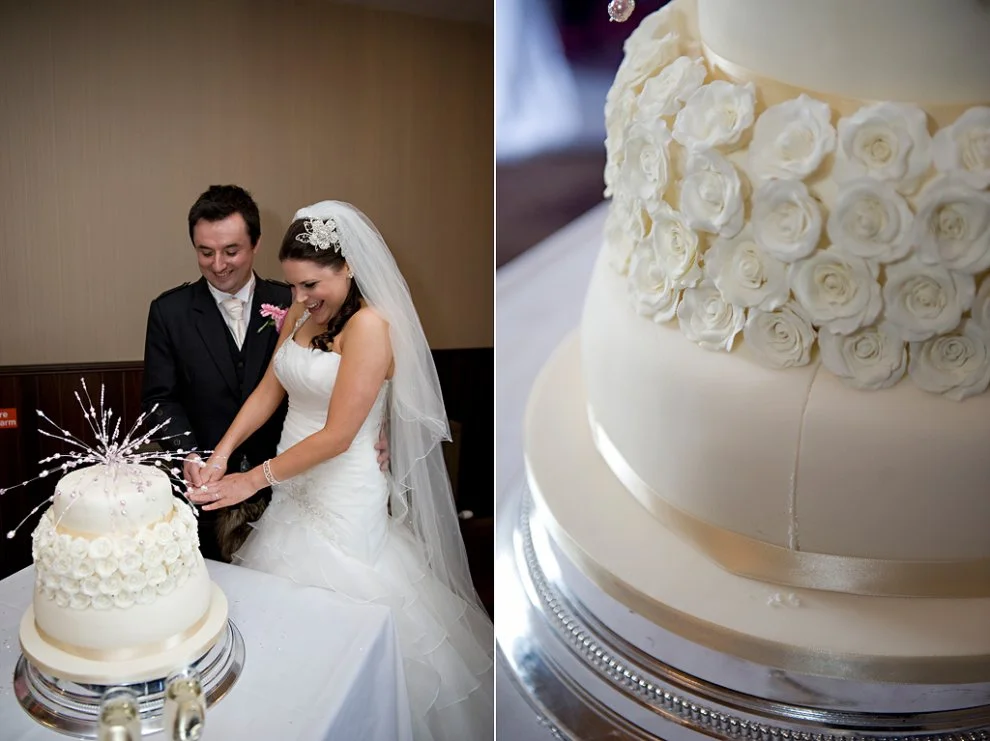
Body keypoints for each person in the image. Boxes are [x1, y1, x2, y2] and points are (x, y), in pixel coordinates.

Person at [187, 201, 494, 740]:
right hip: (292, 483)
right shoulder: (300, 315)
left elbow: (338, 436)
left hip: (343, 488)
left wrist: (252, 479)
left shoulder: (370, 327)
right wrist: (220, 456)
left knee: (341, 617)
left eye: (310, 284)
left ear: (348, 266)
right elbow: (268, 390)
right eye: (293, 286)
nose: (300, 298)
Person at [141, 185, 386, 561]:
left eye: (231, 251)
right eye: (206, 252)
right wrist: (218, 455)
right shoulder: (298, 307)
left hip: (325, 483)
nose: (218, 264)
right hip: (277, 487)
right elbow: (268, 389)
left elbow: (343, 429)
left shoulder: (361, 323)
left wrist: (380, 424)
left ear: (255, 244)